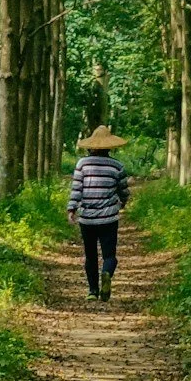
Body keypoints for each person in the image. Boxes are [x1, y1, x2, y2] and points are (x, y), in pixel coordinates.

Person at [68, 126, 131, 301]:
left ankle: (93, 291)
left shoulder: (82, 164)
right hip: (109, 217)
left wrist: (72, 209)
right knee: (110, 255)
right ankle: (107, 274)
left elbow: (76, 189)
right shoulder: (117, 166)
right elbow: (123, 191)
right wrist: (123, 203)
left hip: (87, 218)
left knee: (90, 255)